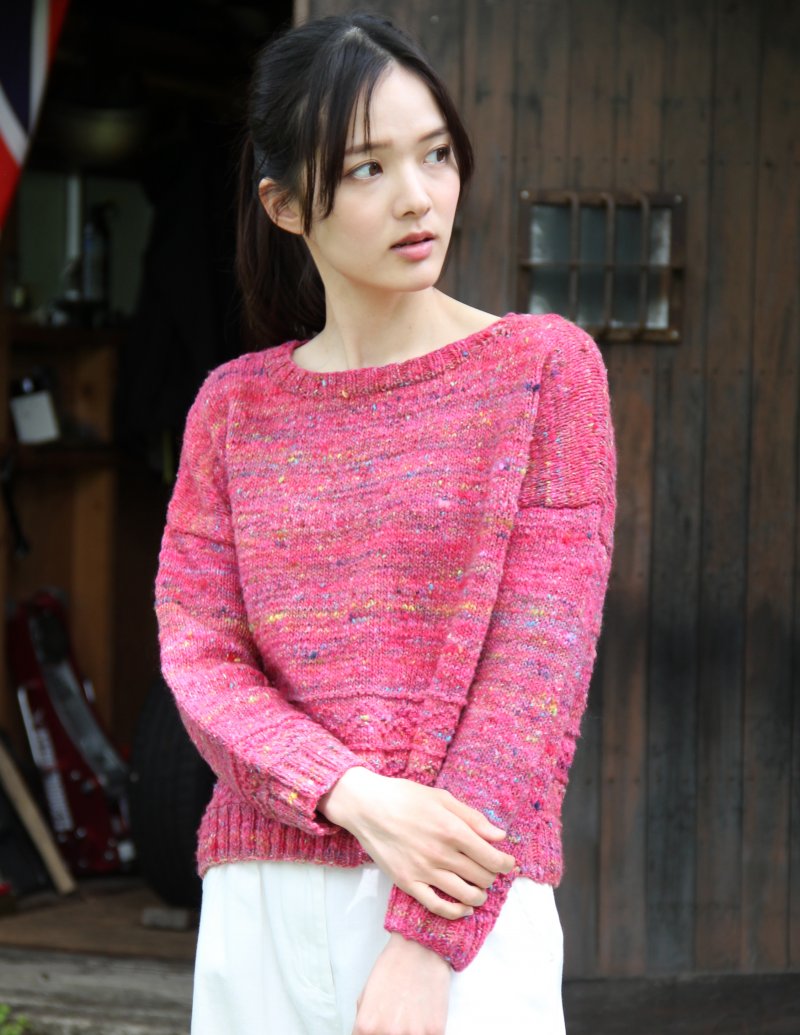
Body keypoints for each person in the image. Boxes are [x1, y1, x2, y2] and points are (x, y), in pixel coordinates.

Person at [155, 11, 616, 1035]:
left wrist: (423, 941)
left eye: (435, 154)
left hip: (463, 901)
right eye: (366, 168)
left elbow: (535, 677)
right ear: (284, 204)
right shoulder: (233, 409)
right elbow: (200, 658)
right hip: (264, 893)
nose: (418, 197)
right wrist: (348, 793)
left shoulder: (543, 372)